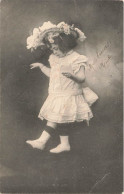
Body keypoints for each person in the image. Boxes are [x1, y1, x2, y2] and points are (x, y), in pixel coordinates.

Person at [26, 21, 98, 153]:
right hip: (57, 94)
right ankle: (57, 144)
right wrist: (42, 67)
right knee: (56, 119)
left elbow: (82, 78)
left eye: (55, 48)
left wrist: (72, 76)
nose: (53, 51)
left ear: (65, 45)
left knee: (57, 119)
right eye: (51, 49)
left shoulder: (77, 58)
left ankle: (46, 142)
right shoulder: (54, 58)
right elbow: (53, 75)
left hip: (69, 95)